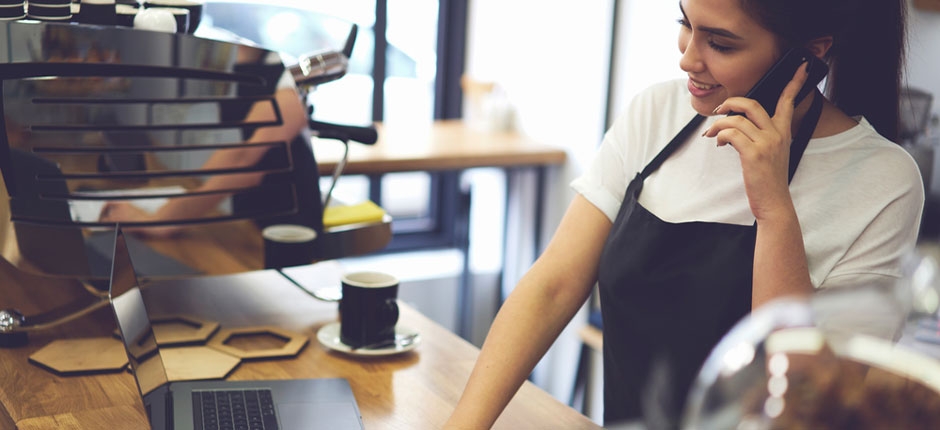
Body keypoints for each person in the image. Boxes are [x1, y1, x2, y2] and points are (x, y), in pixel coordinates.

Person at [445, 0, 923, 428]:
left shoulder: (883, 181)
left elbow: (802, 396)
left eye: (720, 43)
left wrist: (774, 208)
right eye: (685, 23)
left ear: (808, 55)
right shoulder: (656, 112)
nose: (688, 58)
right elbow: (552, 286)